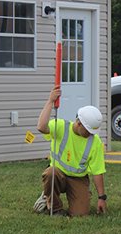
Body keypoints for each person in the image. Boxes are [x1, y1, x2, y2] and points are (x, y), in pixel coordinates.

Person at [34, 85, 107, 216]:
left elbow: (98, 172)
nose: (91, 134)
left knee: (80, 214)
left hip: (78, 179)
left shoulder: (95, 142)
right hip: (58, 174)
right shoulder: (61, 127)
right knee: (51, 173)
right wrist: (50, 101)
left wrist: (102, 198)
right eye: (88, 131)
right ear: (79, 123)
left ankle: (71, 196)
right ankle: (53, 206)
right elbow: (41, 127)